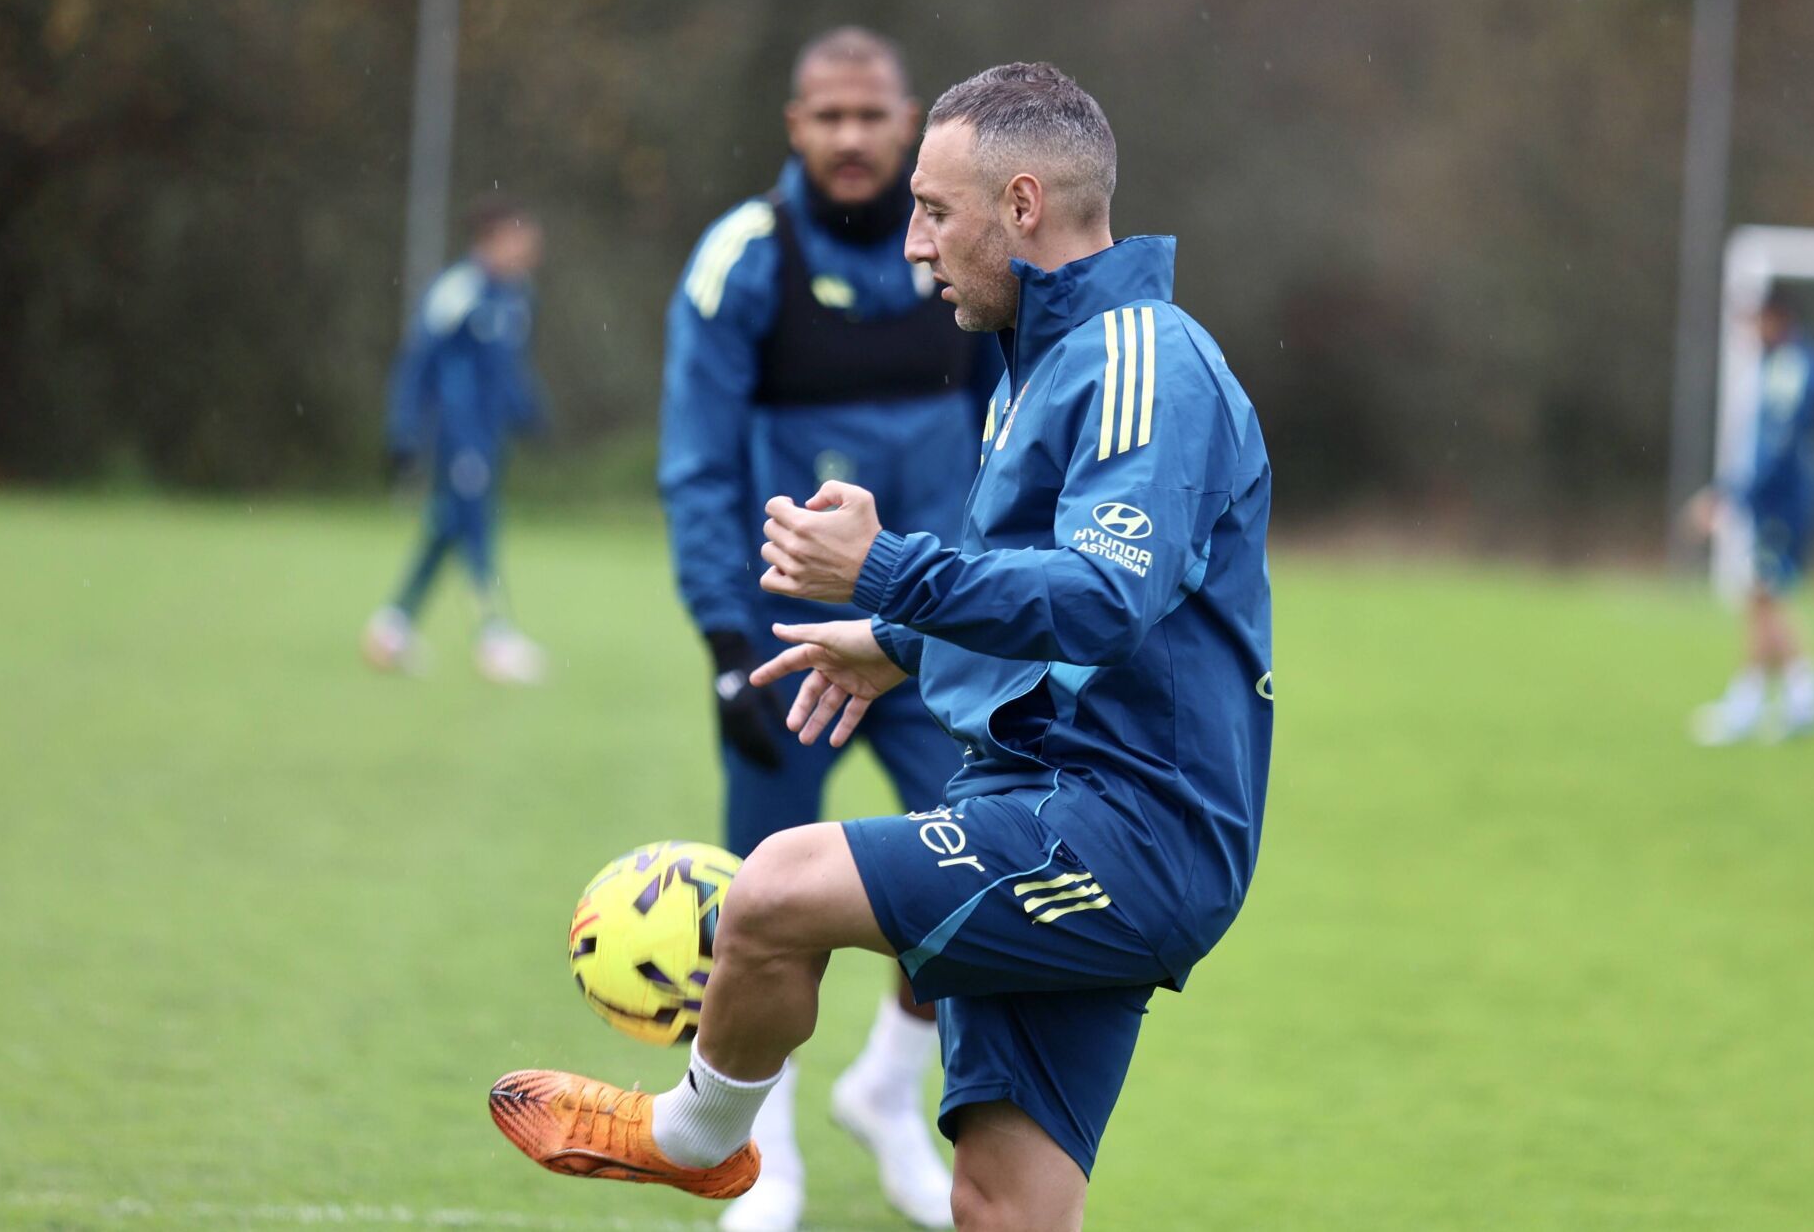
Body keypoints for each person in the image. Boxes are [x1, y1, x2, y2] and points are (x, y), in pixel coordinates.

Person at [490, 63, 1275, 1232]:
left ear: (1020, 207)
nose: (912, 245)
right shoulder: (1046, 361)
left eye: (934, 210)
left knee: (771, 889)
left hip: (1120, 824)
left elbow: (1107, 597)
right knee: (1003, 1205)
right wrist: (898, 640)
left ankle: (699, 1137)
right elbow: (1052, 602)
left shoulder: (1138, 364)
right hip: (1057, 800)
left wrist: (887, 571)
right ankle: (731, 1133)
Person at [657, 26, 997, 1232]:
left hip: (941, 642)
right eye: (827, 118)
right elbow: (696, 465)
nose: (851, 139)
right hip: (785, 651)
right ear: (791, 127)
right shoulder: (744, 260)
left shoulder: (960, 253)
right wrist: (719, 642)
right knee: (764, 911)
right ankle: (766, 1158)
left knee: (975, 878)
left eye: (871, 116)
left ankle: (886, 1092)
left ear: (907, 124)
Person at [363, 198, 549, 685]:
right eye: (519, 238)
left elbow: (506, 370)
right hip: (455, 436)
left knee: (447, 527)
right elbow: (417, 363)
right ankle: (496, 639)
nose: (529, 249)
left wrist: (530, 414)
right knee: (476, 528)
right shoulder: (457, 291)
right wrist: (403, 433)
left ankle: (391, 626)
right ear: (490, 239)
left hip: (488, 438)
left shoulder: (516, 296)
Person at [1685, 282, 1814, 745]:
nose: (1752, 329)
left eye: (1759, 318)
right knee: (1762, 598)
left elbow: (1778, 443)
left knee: (1763, 596)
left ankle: (1776, 702)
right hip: (1782, 500)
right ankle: (1790, 699)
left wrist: (1729, 494)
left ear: (1779, 317)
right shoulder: (1792, 363)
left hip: (1783, 504)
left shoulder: (1792, 366)